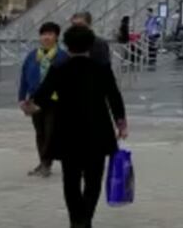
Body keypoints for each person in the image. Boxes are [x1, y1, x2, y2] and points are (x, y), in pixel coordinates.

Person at [27, 25, 127, 228]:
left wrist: (30, 105)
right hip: (97, 131)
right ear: (90, 45)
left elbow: (42, 96)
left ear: (66, 45)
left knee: (71, 180)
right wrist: (121, 122)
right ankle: (86, 219)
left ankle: (76, 220)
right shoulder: (101, 69)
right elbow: (114, 96)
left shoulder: (59, 68)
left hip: (67, 131)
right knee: (93, 179)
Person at [17, 22, 68, 178]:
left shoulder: (62, 57)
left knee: (50, 132)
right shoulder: (32, 56)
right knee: (40, 132)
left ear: (56, 37)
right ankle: (43, 162)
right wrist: (21, 98)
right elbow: (24, 78)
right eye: (43, 34)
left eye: (50, 34)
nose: (46, 37)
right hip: (34, 99)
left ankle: (46, 163)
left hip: (54, 101)